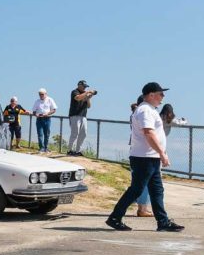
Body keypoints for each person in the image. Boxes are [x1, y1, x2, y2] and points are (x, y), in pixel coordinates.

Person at [106, 82, 184, 232]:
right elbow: (148, 133)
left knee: (157, 190)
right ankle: (115, 217)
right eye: (161, 93)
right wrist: (162, 153)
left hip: (151, 157)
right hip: (144, 158)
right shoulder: (145, 111)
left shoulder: (150, 110)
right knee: (136, 189)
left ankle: (163, 222)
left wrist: (160, 153)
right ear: (151, 95)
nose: (163, 97)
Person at [130, 97, 151, 217]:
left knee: (140, 182)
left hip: (139, 153)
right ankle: (142, 208)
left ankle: (142, 207)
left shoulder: (136, 113)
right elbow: (149, 133)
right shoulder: (143, 113)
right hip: (144, 154)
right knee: (144, 182)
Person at [67, 80, 97, 156]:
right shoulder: (75, 91)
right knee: (75, 133)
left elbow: (89, 106)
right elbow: (78, 98)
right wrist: (88, 92)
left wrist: (88, 98)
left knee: (83, 134)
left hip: (83, 116)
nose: (84, 88)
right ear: (79, 85)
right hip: (74, 115)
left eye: (85, 87)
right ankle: (70, 150)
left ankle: (78, 151)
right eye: (84, 86)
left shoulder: (85, 94)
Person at [30, 88, 57, 153]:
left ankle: (46, 147)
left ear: (45, 94)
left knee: (47, 134)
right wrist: (36, 114)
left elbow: (54, 110)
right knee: (40, 134)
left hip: (47, 118)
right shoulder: (37, 101)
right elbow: (34, 111)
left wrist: (47, 113)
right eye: (40, 94)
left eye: (42, 94)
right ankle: (41, 147)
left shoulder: (50, 100)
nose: (41, 96)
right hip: (39, 119)